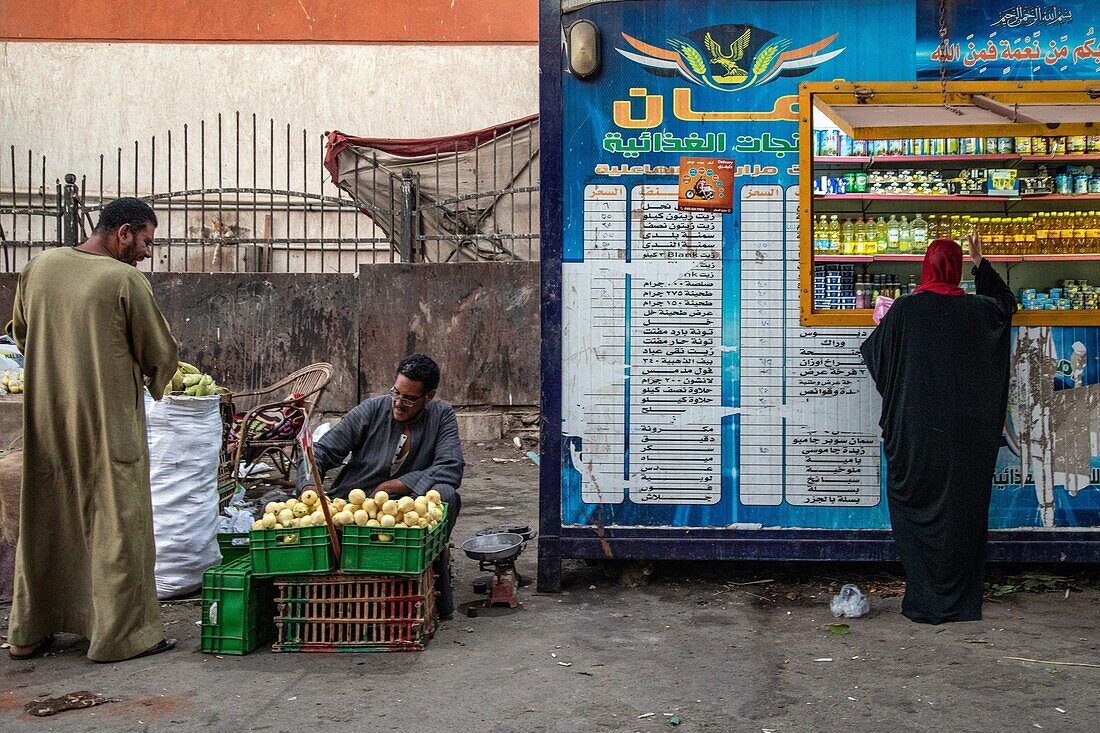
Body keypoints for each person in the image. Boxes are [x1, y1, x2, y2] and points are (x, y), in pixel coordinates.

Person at [8, 198, 180, 661]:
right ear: (123, 233)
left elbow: (22, 333)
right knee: (118, 523)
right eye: (146, 240)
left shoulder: (40, 266)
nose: (147, 252)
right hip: (108, 425)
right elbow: (160, 354)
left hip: (48, 421)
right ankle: (122, 637)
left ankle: (28, 632)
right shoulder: (124, 280)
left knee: (47, 519)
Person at [860, 234, 1016, 624]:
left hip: (916, 436)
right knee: (964, 513)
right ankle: (961, 602)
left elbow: (876, 359)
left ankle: (925, 599)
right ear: (959, 268)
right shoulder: (981, 310)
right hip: (968, 439)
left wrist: (886, 325)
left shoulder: (907, 310)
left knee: (917, 511)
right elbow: (1006, 306)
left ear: (926, 267)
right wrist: (982, 262)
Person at [298, 354, 464, 617]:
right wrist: (309, 486)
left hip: (404, 513)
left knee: (446, 494)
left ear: (428, 396)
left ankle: (426, 574)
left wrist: (394, 486)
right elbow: (319, 453)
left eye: (409, 398)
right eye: (395, 393)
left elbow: (451, 467)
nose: (398, 403)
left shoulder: (441, 416)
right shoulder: (371, 410)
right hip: (356, 508)